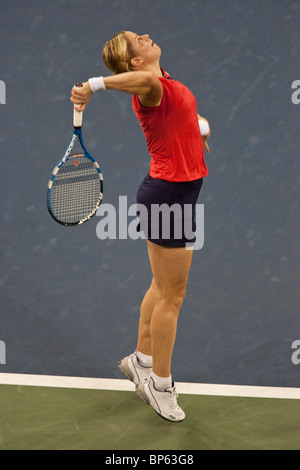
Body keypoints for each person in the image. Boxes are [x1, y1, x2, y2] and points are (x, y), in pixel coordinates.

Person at [71, 31, 210, 422]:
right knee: (172, 296)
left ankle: (141, 360)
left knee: (160, 286)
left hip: (173, 191)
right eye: (139, 39)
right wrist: (94, 86)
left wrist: (196, 127)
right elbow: (148, 84)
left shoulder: (159, 77)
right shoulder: (148, 85)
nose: (147, 36)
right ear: (134, 62)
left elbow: (174, 113)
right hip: (169, 197)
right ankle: (159, 385)